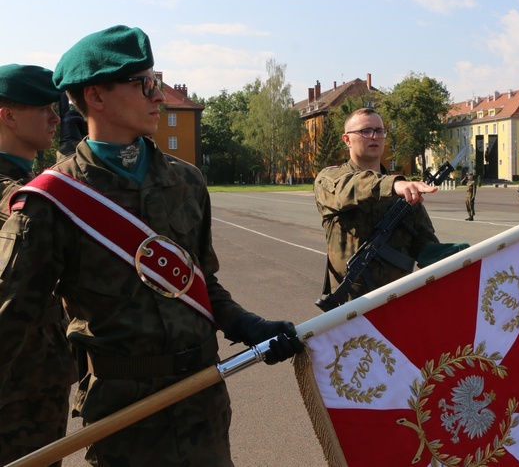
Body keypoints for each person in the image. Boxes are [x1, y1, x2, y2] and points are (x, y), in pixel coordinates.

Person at [0, 25, 303, 466]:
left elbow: (202, 284)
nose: (158, 96)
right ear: (96, 97)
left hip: (203, 401)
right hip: (123, 417)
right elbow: (10, 321)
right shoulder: (50, 200)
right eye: (145, 85)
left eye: (156, 82)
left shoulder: (186, 180)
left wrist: (247, 325)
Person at [0, 64, 77, 466]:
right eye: (43, 108)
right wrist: (74, 160)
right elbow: (35, 201)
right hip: (11, 380)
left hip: (37, 374)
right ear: (8, 116)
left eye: (57, 108)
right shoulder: (13, 188)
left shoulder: (29, 176)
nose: (55, 118)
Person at [315, 107, 456, 302]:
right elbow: (351, 187)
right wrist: (393, 184)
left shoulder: (403, 192)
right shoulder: (330, 178)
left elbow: (425, 245)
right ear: (347, 140)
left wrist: (460, 256)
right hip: (350, 308)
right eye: (365, 131)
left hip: (397, 304)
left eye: (379, 131)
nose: (374, 136)